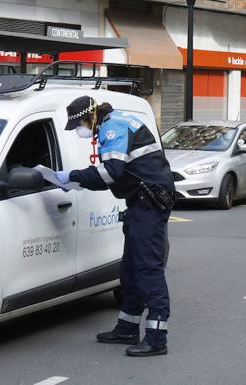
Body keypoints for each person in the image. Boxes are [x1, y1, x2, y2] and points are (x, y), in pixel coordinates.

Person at [54, 96, 176, 357]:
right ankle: (127, 328)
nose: (79, 131)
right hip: (141, 201)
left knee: (148, 270)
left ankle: (156, 338)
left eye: (79, 125)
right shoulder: (117, 121)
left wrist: (71, 177)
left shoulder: (113, 126)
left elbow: (112, 172)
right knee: (131, 269)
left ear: (90, 117)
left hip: (149, 202)